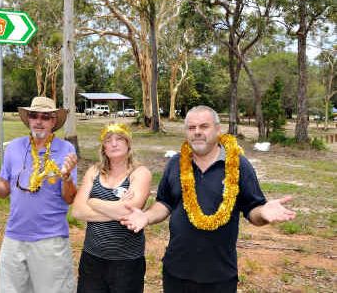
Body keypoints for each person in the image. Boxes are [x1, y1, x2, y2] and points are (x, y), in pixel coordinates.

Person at [121, 105, 296, 293]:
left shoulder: (238, 165)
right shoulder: (175, 163)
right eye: (191, 127)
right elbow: (165, 203)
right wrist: (146, 217)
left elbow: (253, 209)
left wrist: (263, 212)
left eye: (204, 126)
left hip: (219, 275)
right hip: (176, 271)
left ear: (218, 130)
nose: (197, 132)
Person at [0, 96, 78, 293]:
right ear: (29, 120)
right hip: (14, 238)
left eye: (45, 116)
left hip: (50, 240)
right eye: (34, 116)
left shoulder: (65, 150)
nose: (39, 121)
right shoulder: (14, 148)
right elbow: (3, 191)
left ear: (53, 122)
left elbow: (69, 198)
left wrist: (66, 178)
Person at [72, 123, 151, 293]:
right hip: (92, 258)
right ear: (104, 147)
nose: (114, 144)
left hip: (127, 262)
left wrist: (93, 202)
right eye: (108, 140)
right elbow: (77, 211)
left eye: (119, 139)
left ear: (128, 144)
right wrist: (117, 209)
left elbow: (129, 212)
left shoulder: (140, 172)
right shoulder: (94, 171)